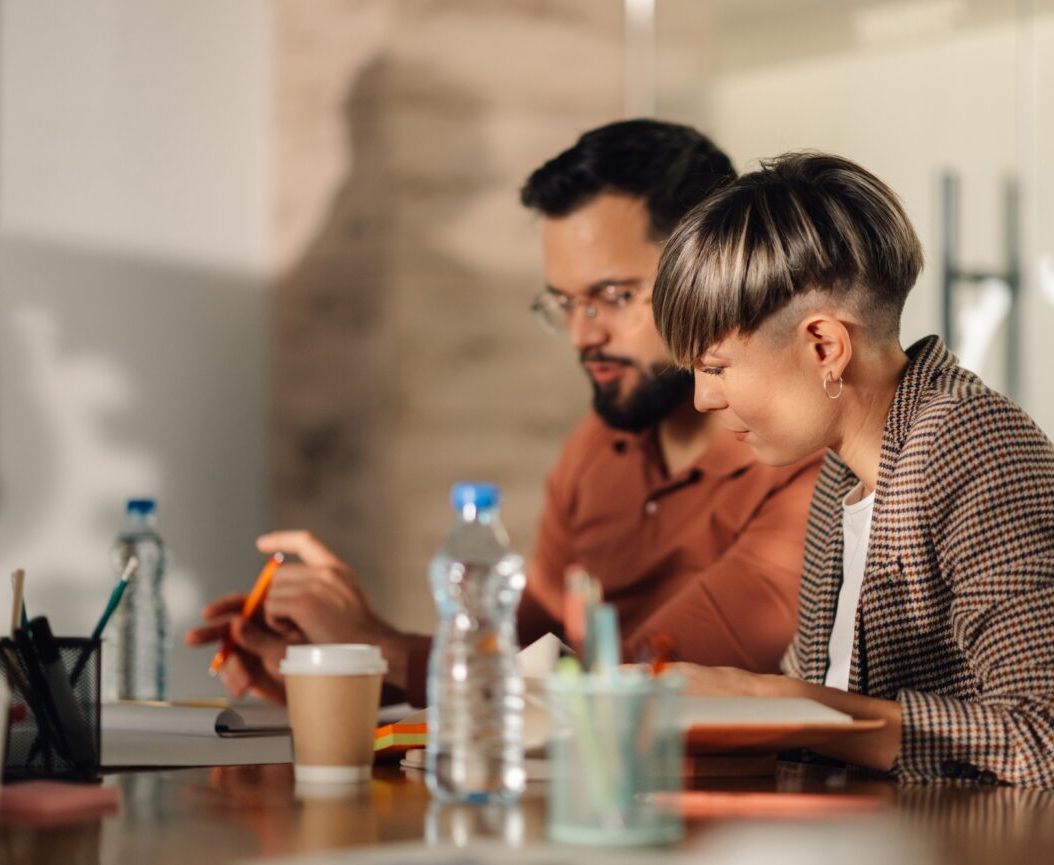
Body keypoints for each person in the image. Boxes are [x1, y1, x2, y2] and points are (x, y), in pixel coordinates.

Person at [186, 120, 822, 706]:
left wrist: (381, 647)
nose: (582, 336)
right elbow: (514, 659)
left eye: (612, 296)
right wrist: (331, 667)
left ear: (706, 274)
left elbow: (641, 686)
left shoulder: (796, 454)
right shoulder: (599, 447)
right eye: (564, 304)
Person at [649, 151, 1054, 799]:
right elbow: (818, 712)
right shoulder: (840, 475)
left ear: (825, 346)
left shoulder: (976, 447)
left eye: (715, 367)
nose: (702, 400)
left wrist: (782, 699)